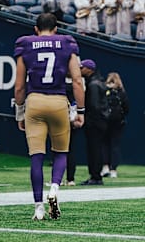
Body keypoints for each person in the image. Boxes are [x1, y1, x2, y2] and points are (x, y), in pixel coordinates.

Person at [14, 13, 85, 220]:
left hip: (35, 100)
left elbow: (19, 86)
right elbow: (78, 80)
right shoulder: (66, 43)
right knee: (61, 152)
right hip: (58, 101)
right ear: (56, 29)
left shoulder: (26, 44)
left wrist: (20, 112)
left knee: (36, 155)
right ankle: (54, 188)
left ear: (36, 29)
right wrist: (80, 111)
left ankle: (38, 207)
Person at [80, 59, 107, 186]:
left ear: (89, 69)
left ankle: (95, 176)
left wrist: (89, 120)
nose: (80, 70)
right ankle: (96, 175)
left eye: (82, 68)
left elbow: (94, 106)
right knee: (97, 149)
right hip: (100, 122)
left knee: (94, 150)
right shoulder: (98, 82)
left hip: (95, 123)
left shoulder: (93, 85)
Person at [101, 72, 129, 178]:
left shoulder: (104, 90)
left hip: (105, 121)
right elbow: (126, 108)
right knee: (115, 145)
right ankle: (113, 170)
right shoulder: (121, 92)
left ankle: (105, 167)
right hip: (118, 122)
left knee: (104, 144)